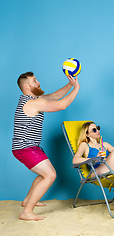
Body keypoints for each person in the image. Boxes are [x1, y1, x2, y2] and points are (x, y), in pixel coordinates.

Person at [12, 72, 80, 221]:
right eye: (35, 81)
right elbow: (61, 105)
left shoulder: (33, 99)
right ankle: (27, 212)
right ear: (26, 86)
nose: (39, 82)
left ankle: (26, 201)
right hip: (25, 148)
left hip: (30, 147)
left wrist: (70, 84)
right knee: (50, 175)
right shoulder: (32, 103)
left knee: (43, 174)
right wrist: (76, 89)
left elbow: (56, 96)